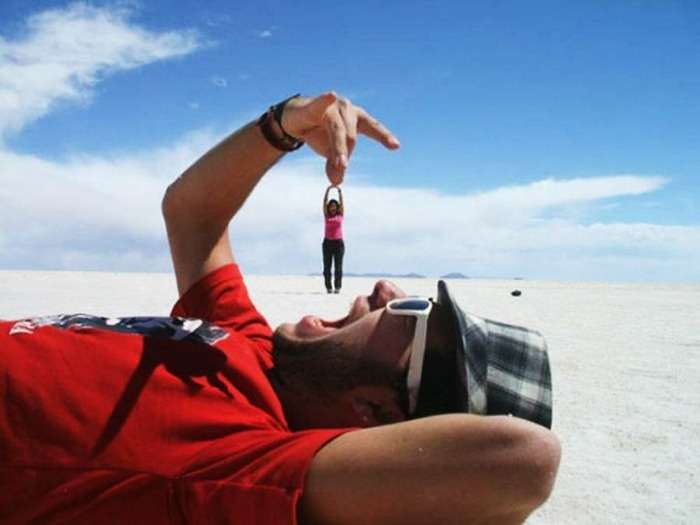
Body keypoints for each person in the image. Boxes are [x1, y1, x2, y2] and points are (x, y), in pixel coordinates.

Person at [0, 92, 560, 525]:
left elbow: (522, 462)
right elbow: (192, 213)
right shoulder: (251, 346)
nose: (388, 290)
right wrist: (283, 126)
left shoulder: (244, 459)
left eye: (415, 316)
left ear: (378, 413)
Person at [322, 184, 345, 293]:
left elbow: (342, 204)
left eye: (334, 206)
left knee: (338, 267)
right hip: (327, 243)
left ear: (337, 207)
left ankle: (338, 287)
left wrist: (339, 192)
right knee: (327, 267)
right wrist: (328, 190)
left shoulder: (340, 215)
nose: (333, 208)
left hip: (338, 243)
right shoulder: (327, 216)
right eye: (331, 206)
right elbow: (324, 203)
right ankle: (328, 287)